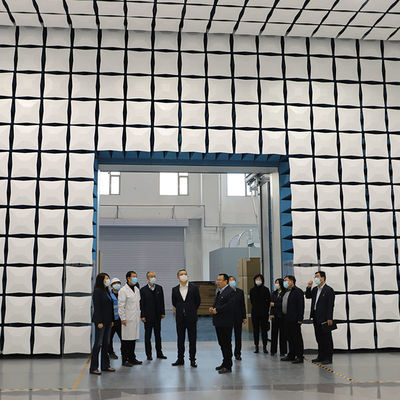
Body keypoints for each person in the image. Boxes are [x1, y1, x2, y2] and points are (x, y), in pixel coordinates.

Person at [171, 269, 201, 368]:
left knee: (192, 339)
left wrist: (191, 310)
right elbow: (174, 302)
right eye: (181, 274)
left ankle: (192, 359)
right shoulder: (175, 289)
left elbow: (198, 301)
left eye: (185, 274)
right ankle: (180, 359)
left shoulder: (194, 288)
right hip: (180, 318)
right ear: (178, 277)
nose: (183, 275)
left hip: (191, 317)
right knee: (180, 339)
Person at [306, 271, 335, 365]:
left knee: (327, 338)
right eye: (315, 277)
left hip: (325, 318)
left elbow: (330, 305)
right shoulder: (315, 289)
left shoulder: (329, 290)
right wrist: (308, 287)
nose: (315, 279)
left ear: (323, 278)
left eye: (317, 277)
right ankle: (321, 356)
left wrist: (329, 318)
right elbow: (308, 296)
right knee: (319, 338)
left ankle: (328, 358)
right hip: (315, 316)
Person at [90, 272, 115, 375]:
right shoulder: (97, 291)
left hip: (108, 321)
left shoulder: (107, 290)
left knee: (106, 344)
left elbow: (110, 306)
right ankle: (93, 367)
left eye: (108, 278)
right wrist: (99, 321)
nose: (108, 280)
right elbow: (97, 307)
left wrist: (112, 320)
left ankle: (105, 365)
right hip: (101, 322)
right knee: (98, 344)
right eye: (106, 278)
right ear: (101, 280)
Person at [209, 273, 235, 374]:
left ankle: (228, 366)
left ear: (226, 281)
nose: (218, 282)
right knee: (222, 344)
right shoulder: (220, 291)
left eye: (220, 280)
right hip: (219, 322)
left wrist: (218, 310)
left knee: (226, 344)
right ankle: (224, 362)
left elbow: (229, 306)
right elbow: (217, 303)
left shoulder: (230, 292)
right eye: (217, 280)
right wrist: (213, 308)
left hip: (226, 322)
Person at [140, 271, 167, 361]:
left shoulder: (159, 288)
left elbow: (162, 301)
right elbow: (142, 304)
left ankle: (159, 353)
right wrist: (142, 315)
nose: (153, 278)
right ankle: (149, 354)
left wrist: (163, 312)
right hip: (147, 317)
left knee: (158, 335)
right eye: (151, 276)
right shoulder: (143, 290)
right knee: (148, 336)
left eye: (154, 276)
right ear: (147, 278)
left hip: (157, 316)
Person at [118, 271, 142, 367]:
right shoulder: (123, 290)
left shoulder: (136, 289)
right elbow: (121, 306)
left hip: (135, 318)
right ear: (128, 278)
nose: (135, 278)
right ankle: (125, 359)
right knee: (126, 341)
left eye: (136, 276)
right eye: (133, 277)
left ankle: (132, 358)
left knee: (133, 340)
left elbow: (138, 304)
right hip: (127, 319)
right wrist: (123, 318)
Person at [281, 275, 304, 364]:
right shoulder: (286, 291)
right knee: (289, 338)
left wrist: (300, 318)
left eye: (286, 280)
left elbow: (301, 306)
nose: (284, 282)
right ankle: (291, 355)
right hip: (286, 318)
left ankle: (299, 356)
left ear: (291, 281)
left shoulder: (298, 292)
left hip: (295, 319)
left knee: (297, 338)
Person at [249, 273, 271, 354]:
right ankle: (256, 346)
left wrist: (266, 310)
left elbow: (268, 301)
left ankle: (265, 347)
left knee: (264, 331)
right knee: (256, 330)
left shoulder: (266, 290)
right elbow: (252, 301)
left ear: (262, 280)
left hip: (264, 313)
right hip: (255, 313)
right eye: (257, 279)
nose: (258, 280)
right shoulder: (252, 290)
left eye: (259, 279)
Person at [228, 276, 247, 360]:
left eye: (233, 280)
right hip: (228, 317)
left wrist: (244, 317)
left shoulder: (240, 292)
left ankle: (238, 353)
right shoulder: (226, 292)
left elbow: (243, 305)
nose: (232, 282)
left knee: (238, 336)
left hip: (238, 317)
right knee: (228, 337)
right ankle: (228, 353)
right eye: (230, 280)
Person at [270, 278, 287, 356]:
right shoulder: (273, 293)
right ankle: (273, 350)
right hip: (274, 315)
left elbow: (284, 304)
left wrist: (275, 304)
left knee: (282, 334)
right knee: (274, 334)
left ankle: (283, 351)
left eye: (278, 283)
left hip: (282, 315)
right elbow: (271, 304)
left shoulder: (285, 293)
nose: (276, 284)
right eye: (275, 283)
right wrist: (271, 314)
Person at [108, 278, 122, 360]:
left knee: (123, 338)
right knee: (109, 338)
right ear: (111, 286)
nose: (117, 285)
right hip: (112, 321)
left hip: (120, 320)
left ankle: (124, 351)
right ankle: (111, 352)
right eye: (115, 283)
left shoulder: (122, 294)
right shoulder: (109, 295)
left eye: (118, 283)